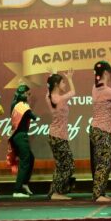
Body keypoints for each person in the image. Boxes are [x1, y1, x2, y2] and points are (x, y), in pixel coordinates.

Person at [90, 61, 111, 202]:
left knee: (106, 160)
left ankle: (101, 191)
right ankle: (98, 194)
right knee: (104, 161)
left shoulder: (95, 87)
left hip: (98, 129)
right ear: (106, 73)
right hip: (101, 130)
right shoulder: (106, 90)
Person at [46, 71, 76, 200]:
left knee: (60, 166)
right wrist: (70, 78)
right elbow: (73, 92)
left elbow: (48, 88)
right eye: (63, 82)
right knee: (69, 165)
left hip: (55, 136)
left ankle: (54, 192)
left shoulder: (49, 96)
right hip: (59, 137)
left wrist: (52, 75)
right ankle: (56, 192)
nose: (65, 84)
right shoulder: (59, 99)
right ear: (56, 85)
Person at [8, 84, 37, 198]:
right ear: (23, 94)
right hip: (20, 137)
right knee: (25, 162)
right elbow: (33, 116)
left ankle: (24, 183)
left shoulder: (15, 104)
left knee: (30, 158)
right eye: (28, 94)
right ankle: (17, 189)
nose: (29, 96)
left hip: (17, 136)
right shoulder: (22, 106)